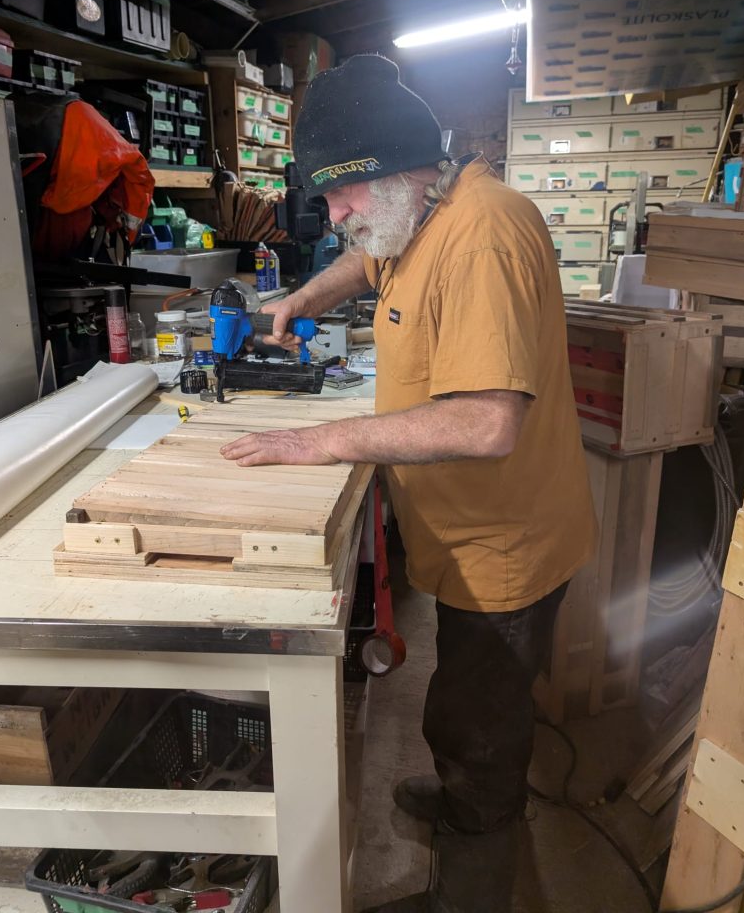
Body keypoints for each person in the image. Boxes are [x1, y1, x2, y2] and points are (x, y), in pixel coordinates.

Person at [220, 54, 597, 912]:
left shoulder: (483, 235)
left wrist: (322, 442)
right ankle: (465, 800)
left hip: (506, 548)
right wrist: (307, 296)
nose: (339, 216)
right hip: (467, 534)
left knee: (479, 727)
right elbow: (375, 258)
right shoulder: (422, 214)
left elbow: (484, 421)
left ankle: (472, 877)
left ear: (398, 171)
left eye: (344, 197)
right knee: (459, 708)